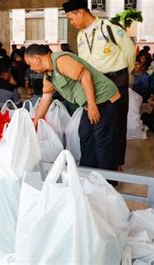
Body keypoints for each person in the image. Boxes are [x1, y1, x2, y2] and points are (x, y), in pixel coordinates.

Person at [25, 44, 121, 184]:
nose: (31, 68)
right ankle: (88, 178)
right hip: (90, 104)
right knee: (85, 136)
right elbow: (45, 99)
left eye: (30, 64)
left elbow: (86, 76)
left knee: (102, 141)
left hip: (104, 100)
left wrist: (92, 105)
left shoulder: (61, 60)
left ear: (37, 58)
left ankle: (106, 184)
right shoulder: (49, 75)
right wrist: (35, 122)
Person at [63, 0, 136, 171]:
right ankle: (94, 167)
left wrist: (120, 74)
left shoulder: (109, 28)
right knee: (90, 126)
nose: (71, 23)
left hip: (115, 81)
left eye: (71, 18)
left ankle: (115, 164)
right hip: (92, 83)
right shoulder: (81, 36)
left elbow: (130, 52)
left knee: (116, 125)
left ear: (80, 12)